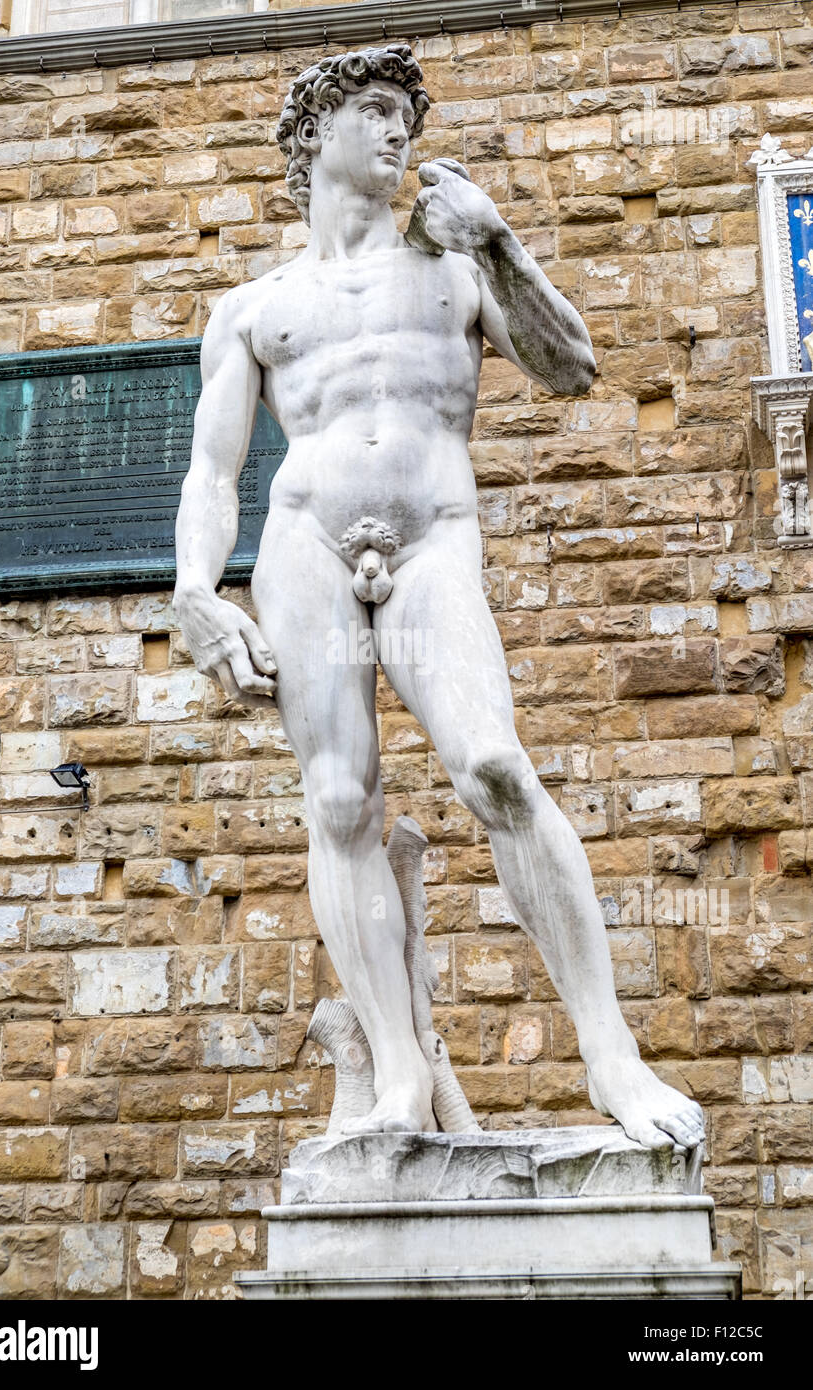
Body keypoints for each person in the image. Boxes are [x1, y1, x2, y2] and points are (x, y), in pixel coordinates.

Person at [174, 44, 705, 1149]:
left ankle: (608, 1057)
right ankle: (398, 1076)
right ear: (314, 134)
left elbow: (571, 366)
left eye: (403, 113)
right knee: (337, 801)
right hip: (305, 542)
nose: (397, 129)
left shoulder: (454, 263)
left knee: (495, 767)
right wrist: (192, 591)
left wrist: (499, 239)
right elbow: (211, 473)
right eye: (372, 111)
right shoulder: (254, 307)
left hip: (432, 541)